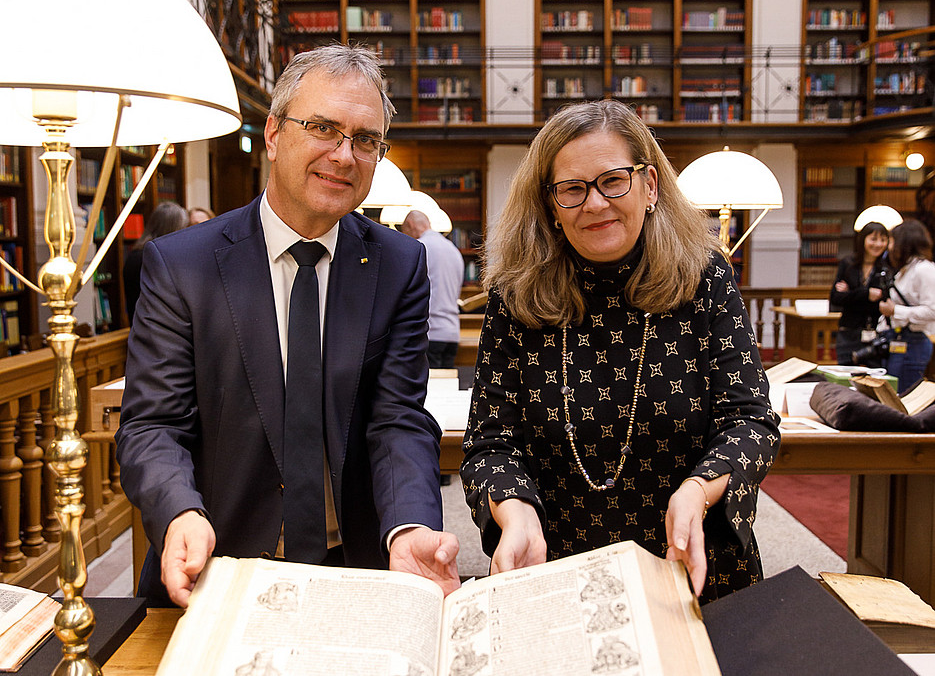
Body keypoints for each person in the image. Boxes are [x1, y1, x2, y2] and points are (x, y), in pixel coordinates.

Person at [116, 44, 459, 608]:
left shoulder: (399, 265)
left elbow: (397, 419)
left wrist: (409, 526)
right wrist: (179, 509)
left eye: (366, 139)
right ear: (273, 133)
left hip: (357, 572)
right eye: (324, 127)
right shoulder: (182, 266)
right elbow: (152, 426)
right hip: (218, 570)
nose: (345, 155)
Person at [460, 99, 780, 604]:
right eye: (572, 189)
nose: (594, 203)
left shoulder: (706, 280)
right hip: (559, 569)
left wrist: (699, 490)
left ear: (649, 185)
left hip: (692, 566)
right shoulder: (515, 297)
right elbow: (489, 442)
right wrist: (514, 509)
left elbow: (750, 422)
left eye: (613, 180)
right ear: (549, 205)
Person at [399, 209, 463, 368]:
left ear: (411, 225)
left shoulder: (420, 248)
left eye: (404, 231)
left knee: (428, 389)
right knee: (447, 389)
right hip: (452, 332)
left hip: (430, 330)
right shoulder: (453, 250)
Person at [877, 218, 935, 392]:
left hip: (914, 343)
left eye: (892, 241)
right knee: (893, 393)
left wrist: (895, 310)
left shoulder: (923, 269)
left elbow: (933, 310)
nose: (889, 247)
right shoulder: (905, 270)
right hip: (898, 339)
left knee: (904, 396)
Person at [829, 221, 889, 364]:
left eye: (883, 240)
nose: (878, 244)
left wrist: (850, 294)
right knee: (844, 377)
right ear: (863, 240)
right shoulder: (848, 264)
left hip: (876, 334)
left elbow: (882, 304)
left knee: (874, 378)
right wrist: (866, 294)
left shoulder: (886, 268)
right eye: (873, 239)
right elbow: (835, 298)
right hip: (848, 332)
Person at [123, 201, 189, 323]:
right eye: (183, 228)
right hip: (154, 331)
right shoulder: (154, 258)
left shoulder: (136, 254)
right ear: (173, 229)